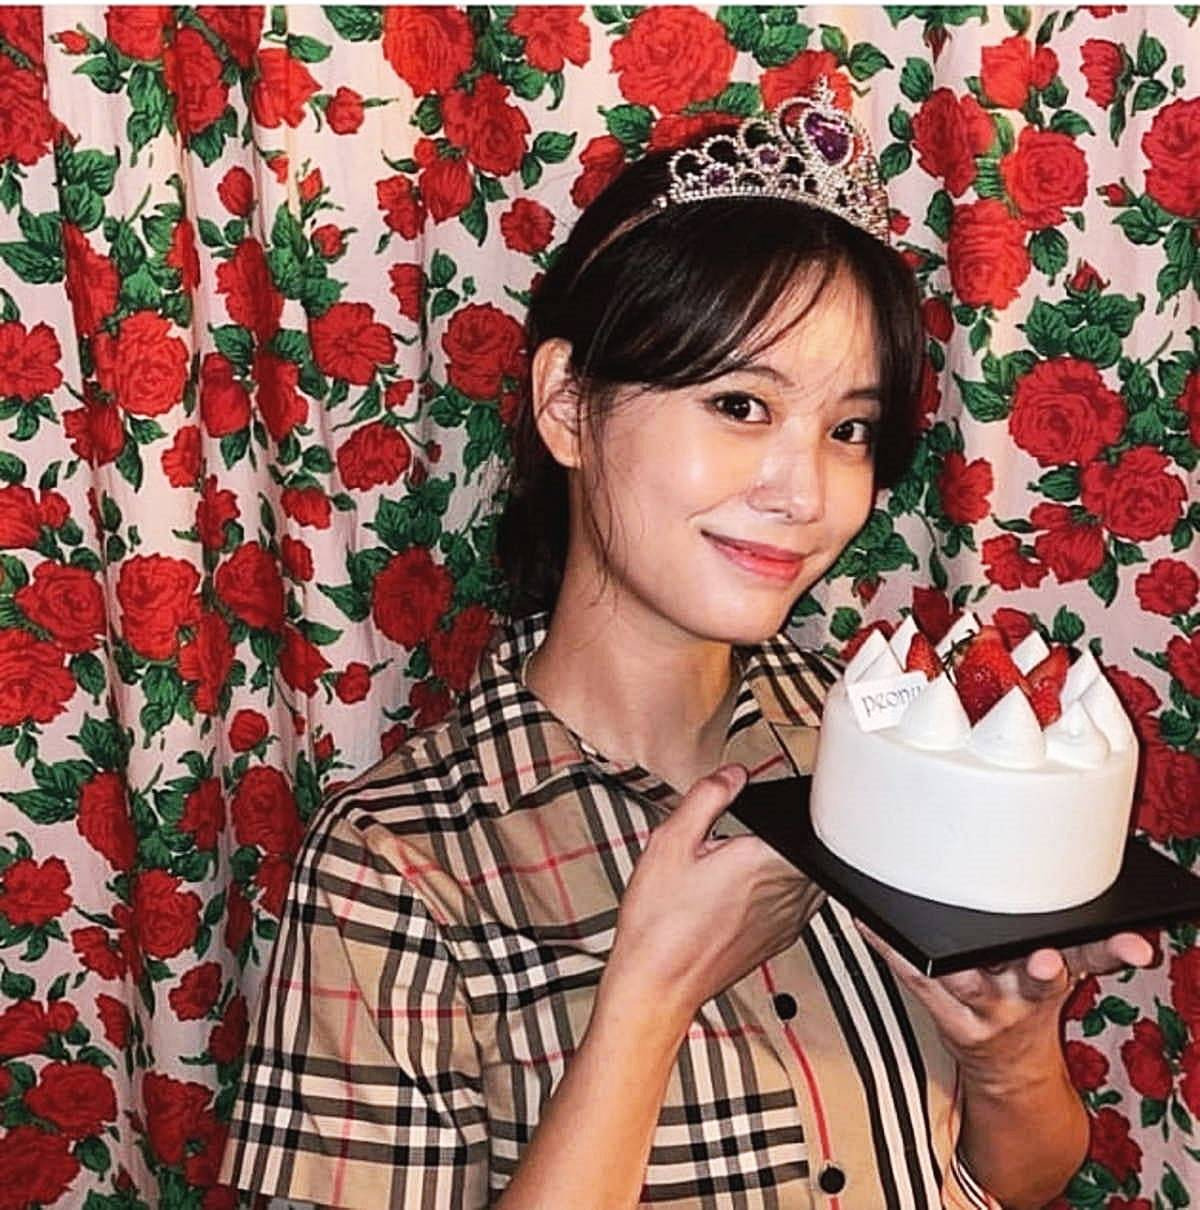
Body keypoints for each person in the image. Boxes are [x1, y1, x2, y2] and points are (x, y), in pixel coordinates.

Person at [221, 90, 1153, 1210]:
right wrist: (650, 995)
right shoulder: (398, 865)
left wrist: (1008, 1058)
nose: (807, 494)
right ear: (568, 404)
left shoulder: (889, 751)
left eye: (849, 429)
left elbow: (1019, 1178)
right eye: (740, 404)